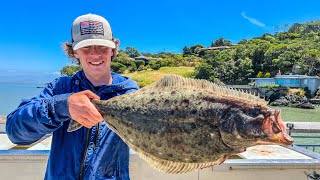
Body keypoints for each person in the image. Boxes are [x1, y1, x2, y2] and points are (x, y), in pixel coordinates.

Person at [6, 13, 139, 180]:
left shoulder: (130, 92)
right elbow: (15, 131)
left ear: (112, 50)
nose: (95, 54)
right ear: (74, 51)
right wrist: (61, 106)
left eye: (102, 47)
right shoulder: (60, 88)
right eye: (86, 47)